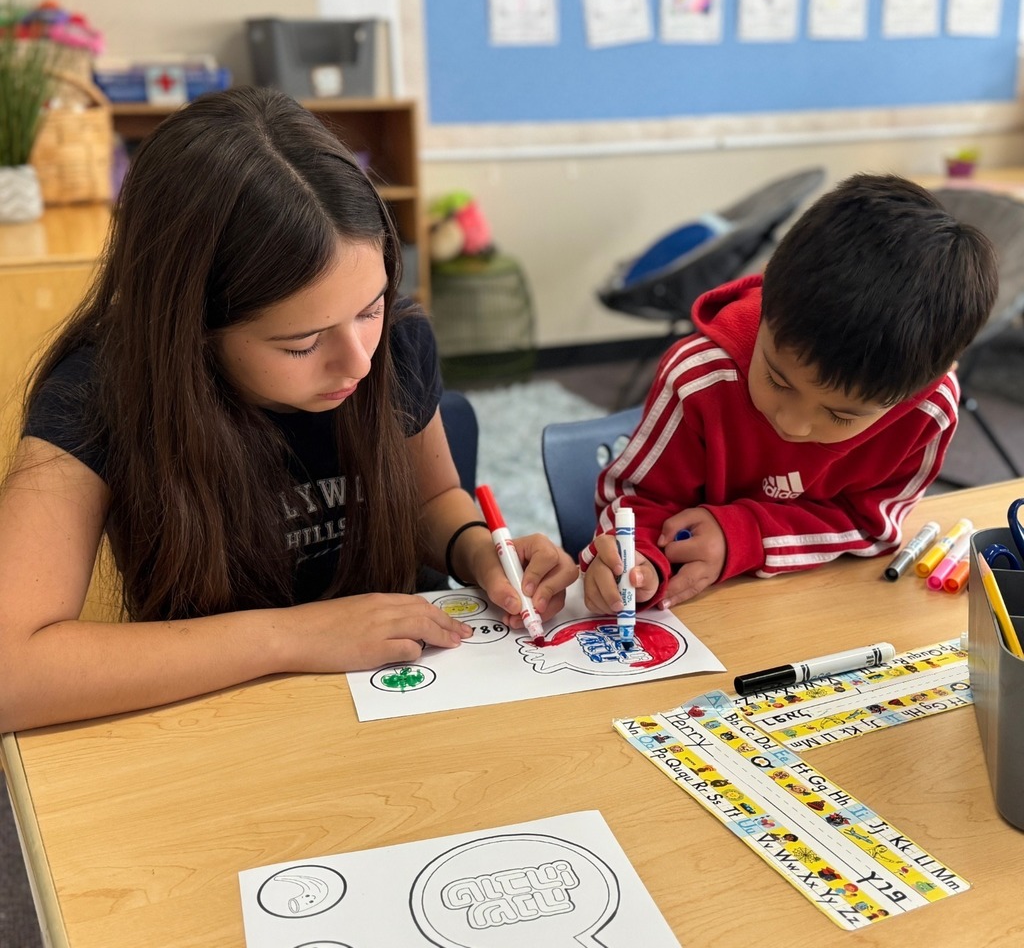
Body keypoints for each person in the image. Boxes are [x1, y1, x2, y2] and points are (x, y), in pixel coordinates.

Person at [0, 86, 577, 732]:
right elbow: (11, 672)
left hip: (403, 698)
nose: (358, 361)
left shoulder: (396, 344)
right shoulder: (102, 390)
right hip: (221, 715)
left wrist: (478, 552)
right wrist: (293, 636)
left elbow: (429, 495)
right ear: (190, 332)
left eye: (370, 309)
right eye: (302, 343)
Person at [581, 173, 998, 615]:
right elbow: (634, 502)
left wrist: (745, 536)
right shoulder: (701, 376)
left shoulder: (927, 411)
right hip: (693, 611)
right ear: (767, 311)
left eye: (840, 415)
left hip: (808, 608)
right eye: (779, 381)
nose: (791, 423)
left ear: (915, 390)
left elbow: (873, 521)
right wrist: (637, 558)